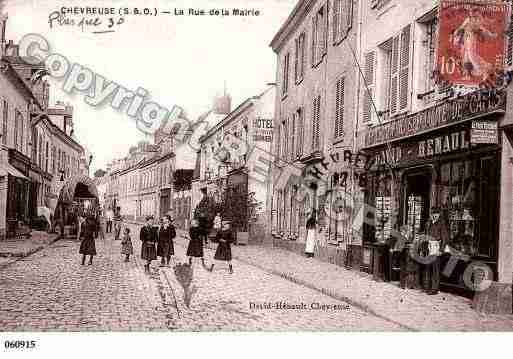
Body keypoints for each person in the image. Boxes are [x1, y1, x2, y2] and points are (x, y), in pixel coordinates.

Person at [420, 208, 450, 295]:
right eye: (433, 214)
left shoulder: (442, 224)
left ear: (439, 215)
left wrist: (441, 250)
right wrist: (423, 249)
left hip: (436, 247)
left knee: (435, 269)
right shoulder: (428, 223)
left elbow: (445, 238)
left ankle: (434, 289)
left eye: (436, 214)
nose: (435, 215)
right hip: (429, 247)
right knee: (427, 268)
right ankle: (427, 287)